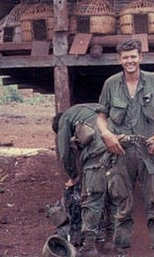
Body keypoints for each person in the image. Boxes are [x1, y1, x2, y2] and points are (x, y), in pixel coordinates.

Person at [96, 38, 154, 257]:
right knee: (122, 206)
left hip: (149, 150)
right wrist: (106, 135)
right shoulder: (111, 84)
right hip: (120, 151)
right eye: (125, 57)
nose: (129, 60)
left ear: (140, 57)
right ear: (119, 59)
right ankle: (121, 250)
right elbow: (101, 116)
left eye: (133, 56)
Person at [52, 103, 112, 257]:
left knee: (92, 198)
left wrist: (74, 176)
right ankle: (111, 240)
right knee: (112, 195)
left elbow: (65, 153)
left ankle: (89, 247)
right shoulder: (87, 110)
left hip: (100, 151)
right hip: (119, 145)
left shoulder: (64, 120)